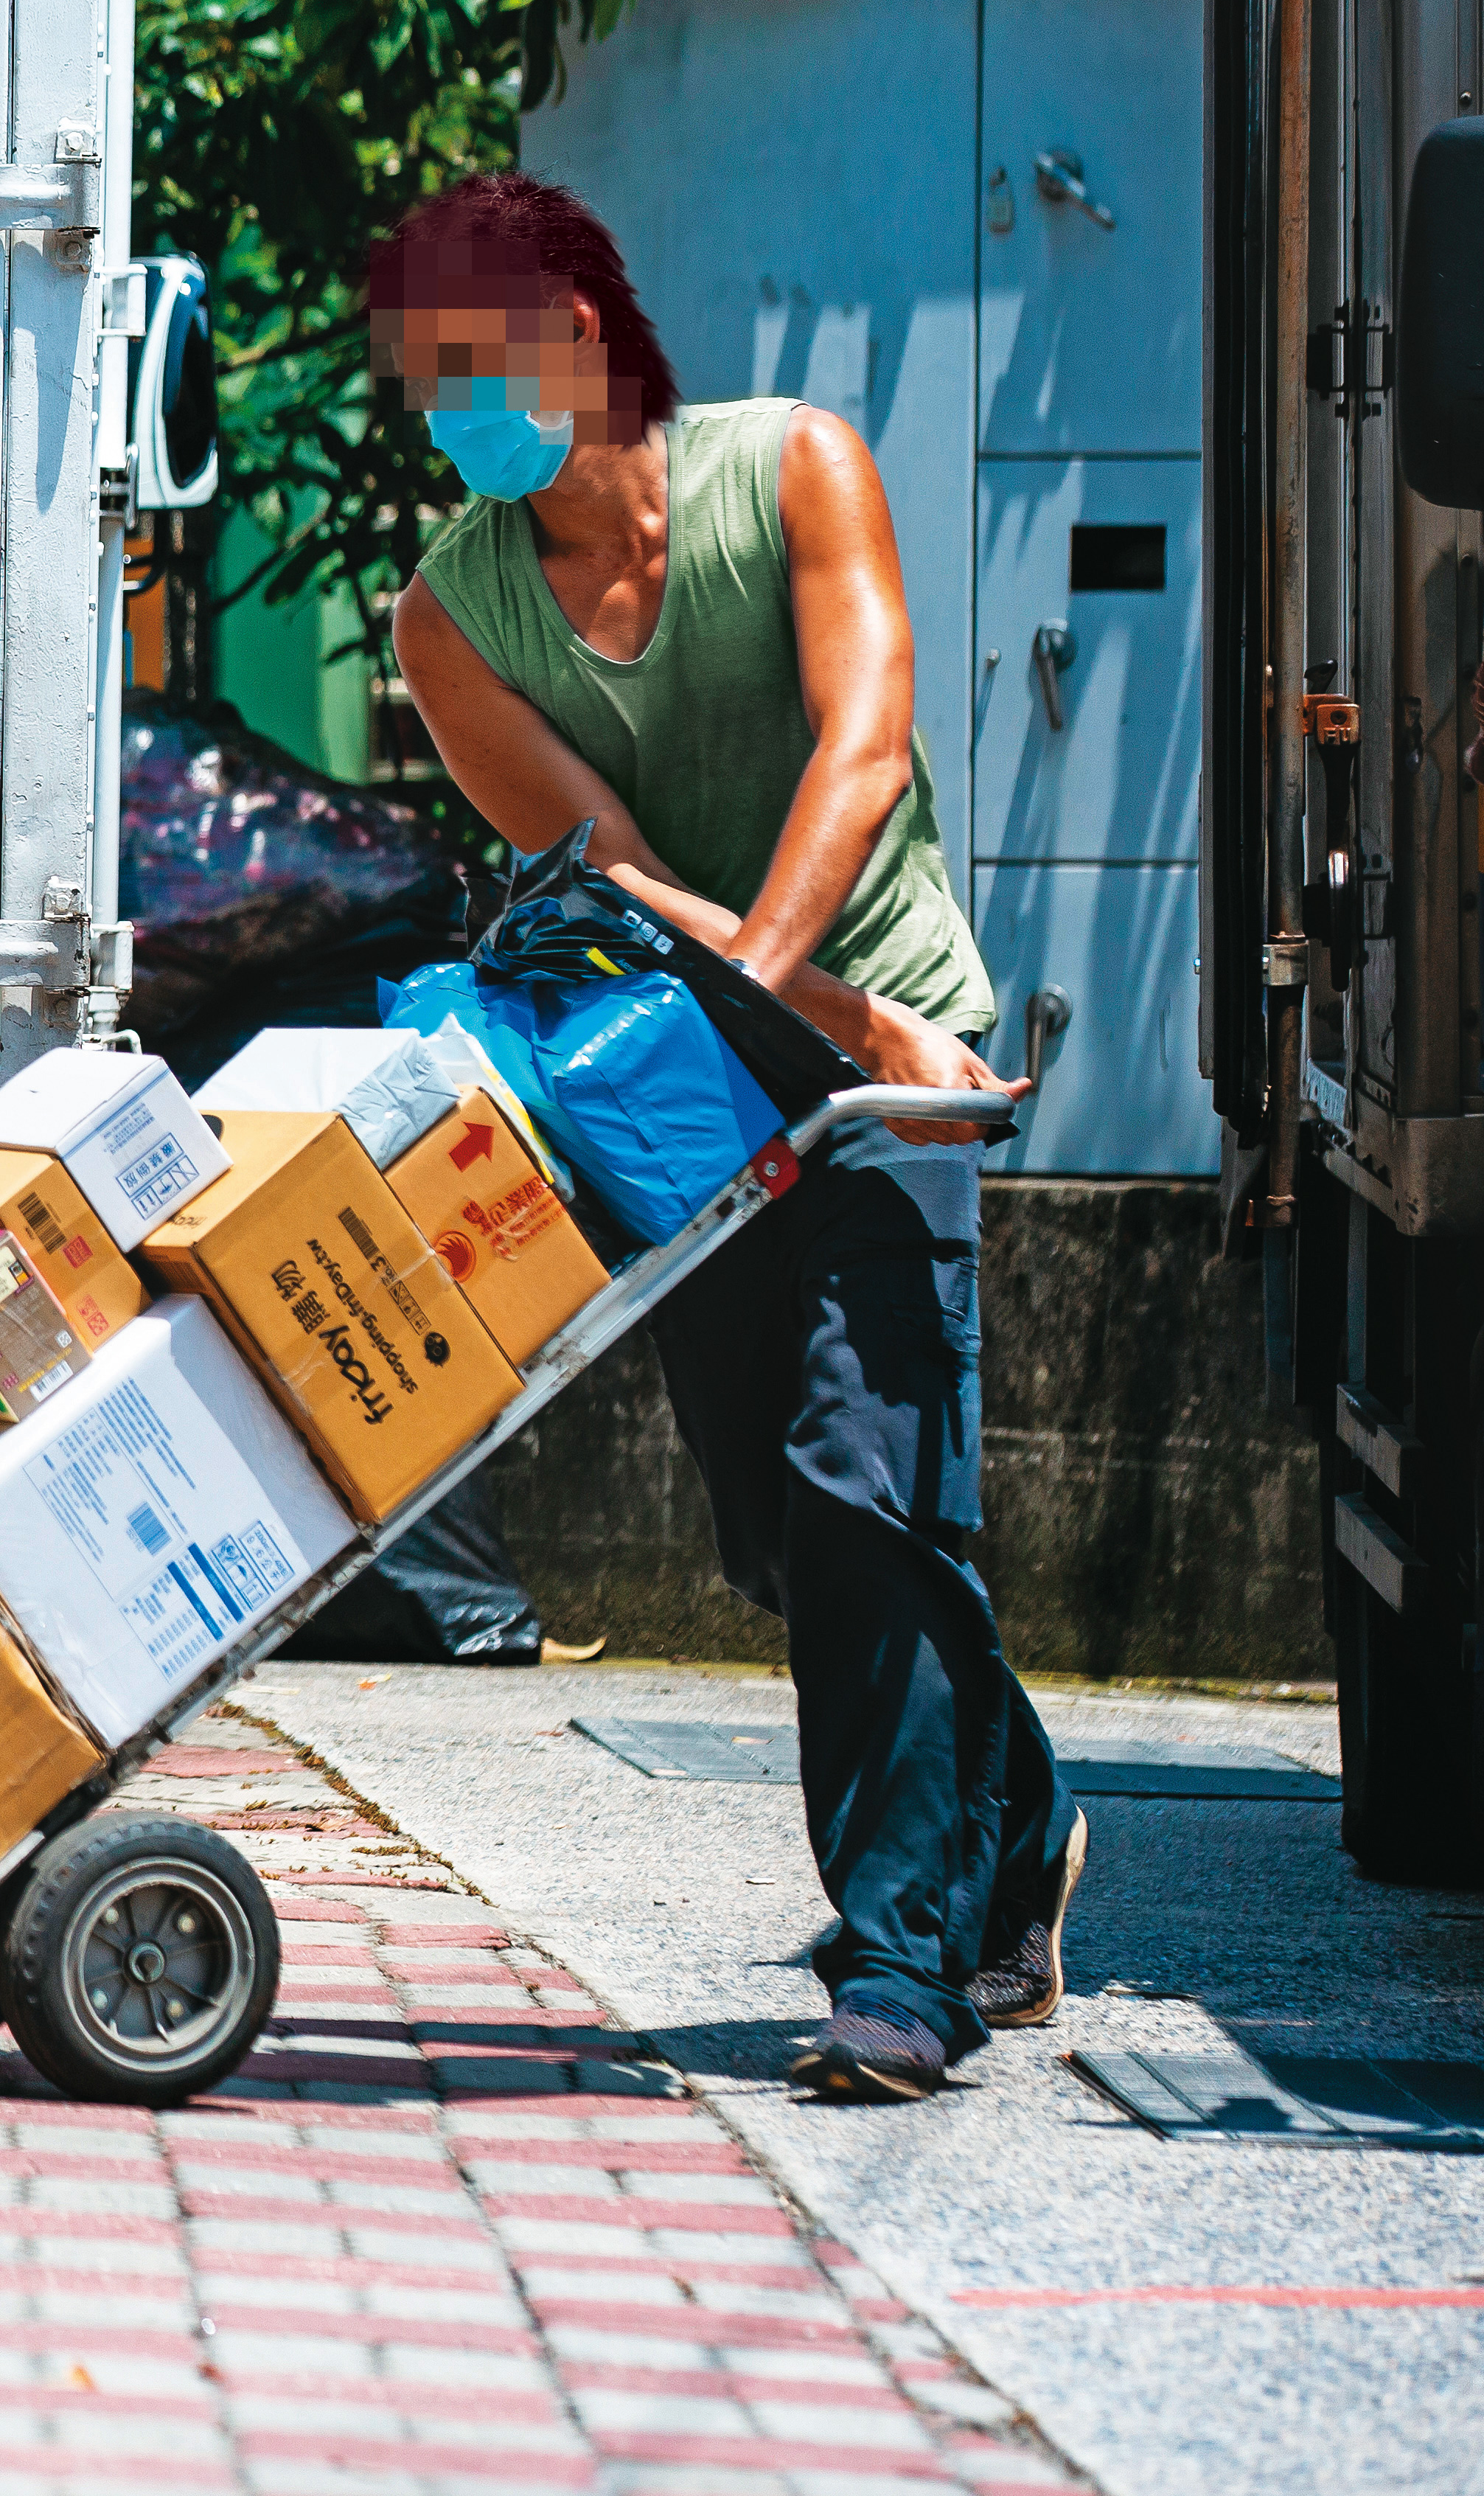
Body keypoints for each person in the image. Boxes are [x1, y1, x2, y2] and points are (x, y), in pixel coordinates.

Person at [363, 171, 1084, 2102]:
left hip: (892, 1053)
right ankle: (1009, 1813)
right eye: (423, 384)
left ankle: (904, 1972)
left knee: (872, 1483)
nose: (452, 414)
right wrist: (779, 1006)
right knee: (782, 1536)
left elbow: (867, 743)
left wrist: (830, 1007)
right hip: (685, 1068)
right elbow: (609, 876)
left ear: (582, 339)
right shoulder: (456, 613)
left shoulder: (798, 475)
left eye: (473, 368)